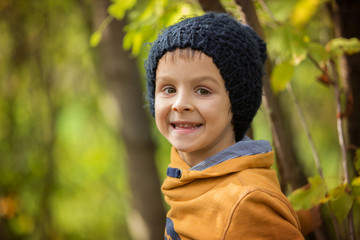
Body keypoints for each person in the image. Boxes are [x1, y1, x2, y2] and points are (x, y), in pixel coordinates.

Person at [145, 12, 304, 239]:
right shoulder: (189, 167)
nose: (180, 105)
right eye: (169, 89)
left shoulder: (247, 204)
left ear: (237, 102)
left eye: (203, 91)